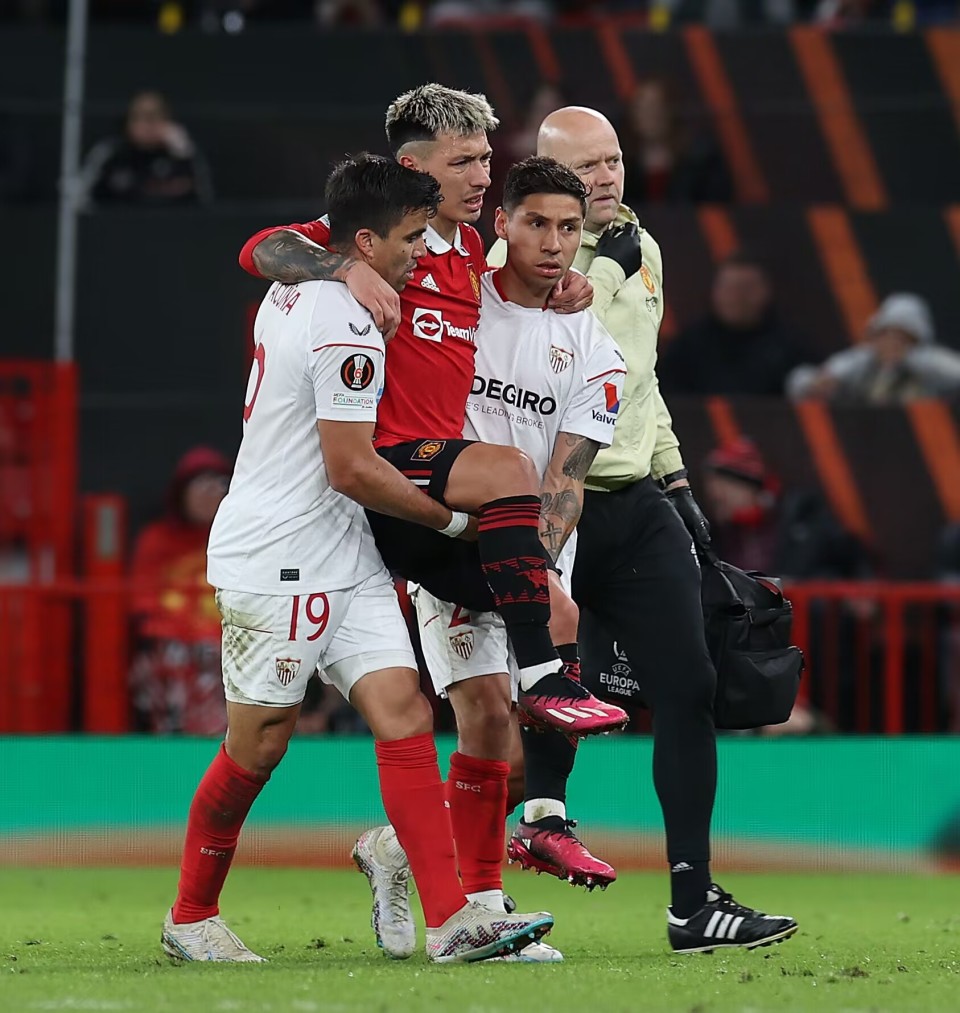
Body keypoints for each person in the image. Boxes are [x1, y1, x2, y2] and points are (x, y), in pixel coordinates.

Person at [237, 82, 626, 962]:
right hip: (396, 489)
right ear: (413, 167)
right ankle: (482, 880)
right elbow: (259, 248)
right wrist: (344, 266)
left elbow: (534, 256)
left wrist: (567, 283)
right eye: (465, 161)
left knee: (498, 720)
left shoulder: (472, 256)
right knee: (477, 699)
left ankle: (431, 867)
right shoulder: (381, 245)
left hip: (461, 504)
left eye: (487, 158)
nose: (484, 175)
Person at [162, 153, 554, 965]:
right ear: (367, 243)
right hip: (278, 555)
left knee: (404, 710)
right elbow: (352, 467)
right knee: (258, 745)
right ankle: (190, 915)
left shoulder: (297, 283)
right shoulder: (347, 323)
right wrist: (450, 521)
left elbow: (274, 250)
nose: (419, 254)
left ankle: (450, 919)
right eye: (410, 239)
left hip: (344, 549)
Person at [487, 106, 798, 954]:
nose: (605, 177)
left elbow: (641, 378)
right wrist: (600, 266)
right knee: (531, 696)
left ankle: (693, 901)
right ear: (544, 176)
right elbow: (538, 344)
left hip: (632, 497)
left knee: (690, 684)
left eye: (613, 160)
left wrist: (676, 476)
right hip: (549, 497)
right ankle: (480, 848)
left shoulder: (640, 248)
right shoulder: (517, 254)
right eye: (585, 166)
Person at [358, 155, 628, 963]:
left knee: (509, 758)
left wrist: (528, 569)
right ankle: (482, 904)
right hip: (450, 533)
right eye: (536, 223)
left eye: (569, 228)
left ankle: (398, 847)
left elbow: (566, 481)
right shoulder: (455, 299)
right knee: (483, 714)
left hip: (528, 551)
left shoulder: (593, 344)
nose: (553, 243)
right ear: (501, 224)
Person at [128, 446, 231, 735]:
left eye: (217, 486)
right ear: (182, 493)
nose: (209, 495)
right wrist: (189, 633)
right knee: (175, 656)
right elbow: (143, 602)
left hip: (228, 640)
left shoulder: (239, 538)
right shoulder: (156, 539)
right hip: (175, 642)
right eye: (200, 486)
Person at [657, 252, 807, 396]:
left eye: (746, 288)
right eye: (729, 288)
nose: (736, 297)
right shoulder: (686, 347)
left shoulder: (791, 347)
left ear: (767, 291)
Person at [787, 293, 960, 404]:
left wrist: (908, 357)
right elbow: (799, 382)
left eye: (902, 337)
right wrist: (815, 383)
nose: (891, 342)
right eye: (886, 334)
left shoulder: (932, 365)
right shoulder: (861, 361)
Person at [80, 90, 213, 208]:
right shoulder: (111, 152)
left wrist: (184, 154)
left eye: (152, 117)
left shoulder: (184, 154)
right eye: (137, 117)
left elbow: (204, 201)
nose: (145, 125)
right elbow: (81, 202)